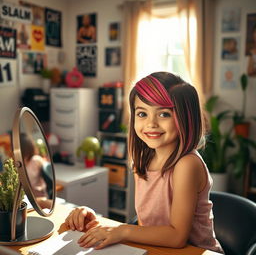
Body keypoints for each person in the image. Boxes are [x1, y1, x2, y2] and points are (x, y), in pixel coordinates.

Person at [64, 72, 223, 253]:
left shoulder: (187, 165)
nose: (151, 123)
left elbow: (177, 236)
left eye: (163, 114)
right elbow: (146, 226)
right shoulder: (145, 160)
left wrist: (123, 230)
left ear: (185, 119)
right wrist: (96, 223)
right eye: (142, 113)